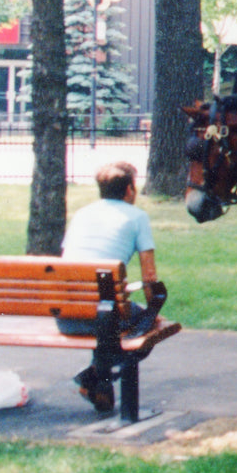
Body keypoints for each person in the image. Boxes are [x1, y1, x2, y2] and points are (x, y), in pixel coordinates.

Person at [58, 161, 166, 411]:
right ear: (129, 189)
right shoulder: (137, 217)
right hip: (104, 317)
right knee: (145, 328)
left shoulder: (82, 214)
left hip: (66, 315)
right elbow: (149, 275)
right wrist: (152, 312)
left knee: (110, 319)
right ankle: (95, 377)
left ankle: (99, 385)